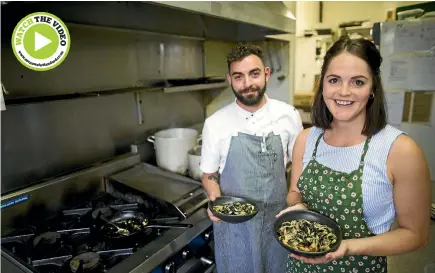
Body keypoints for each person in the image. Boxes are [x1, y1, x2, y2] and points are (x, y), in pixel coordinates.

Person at [277, 36, 431, 273]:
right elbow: (294, 192)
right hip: (300, 267)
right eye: (334, 80)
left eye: (358, 82)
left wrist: (347, 247)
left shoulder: (400, 151)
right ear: (323, 85)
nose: (344, 91)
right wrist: (296, 206)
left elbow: (415, 235)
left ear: (372, 89)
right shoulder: (307, 140)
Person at [200, 43, 304, 273]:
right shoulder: (215, 123)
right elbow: (209, 175)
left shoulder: (288, 115)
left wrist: (295, 199)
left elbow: (299, 166)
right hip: (235, 227)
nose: (247, 84)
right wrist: (216, 201)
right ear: (229, 79)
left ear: (266, 73)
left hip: (277, 220)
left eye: (254, 74)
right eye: (238, 77)